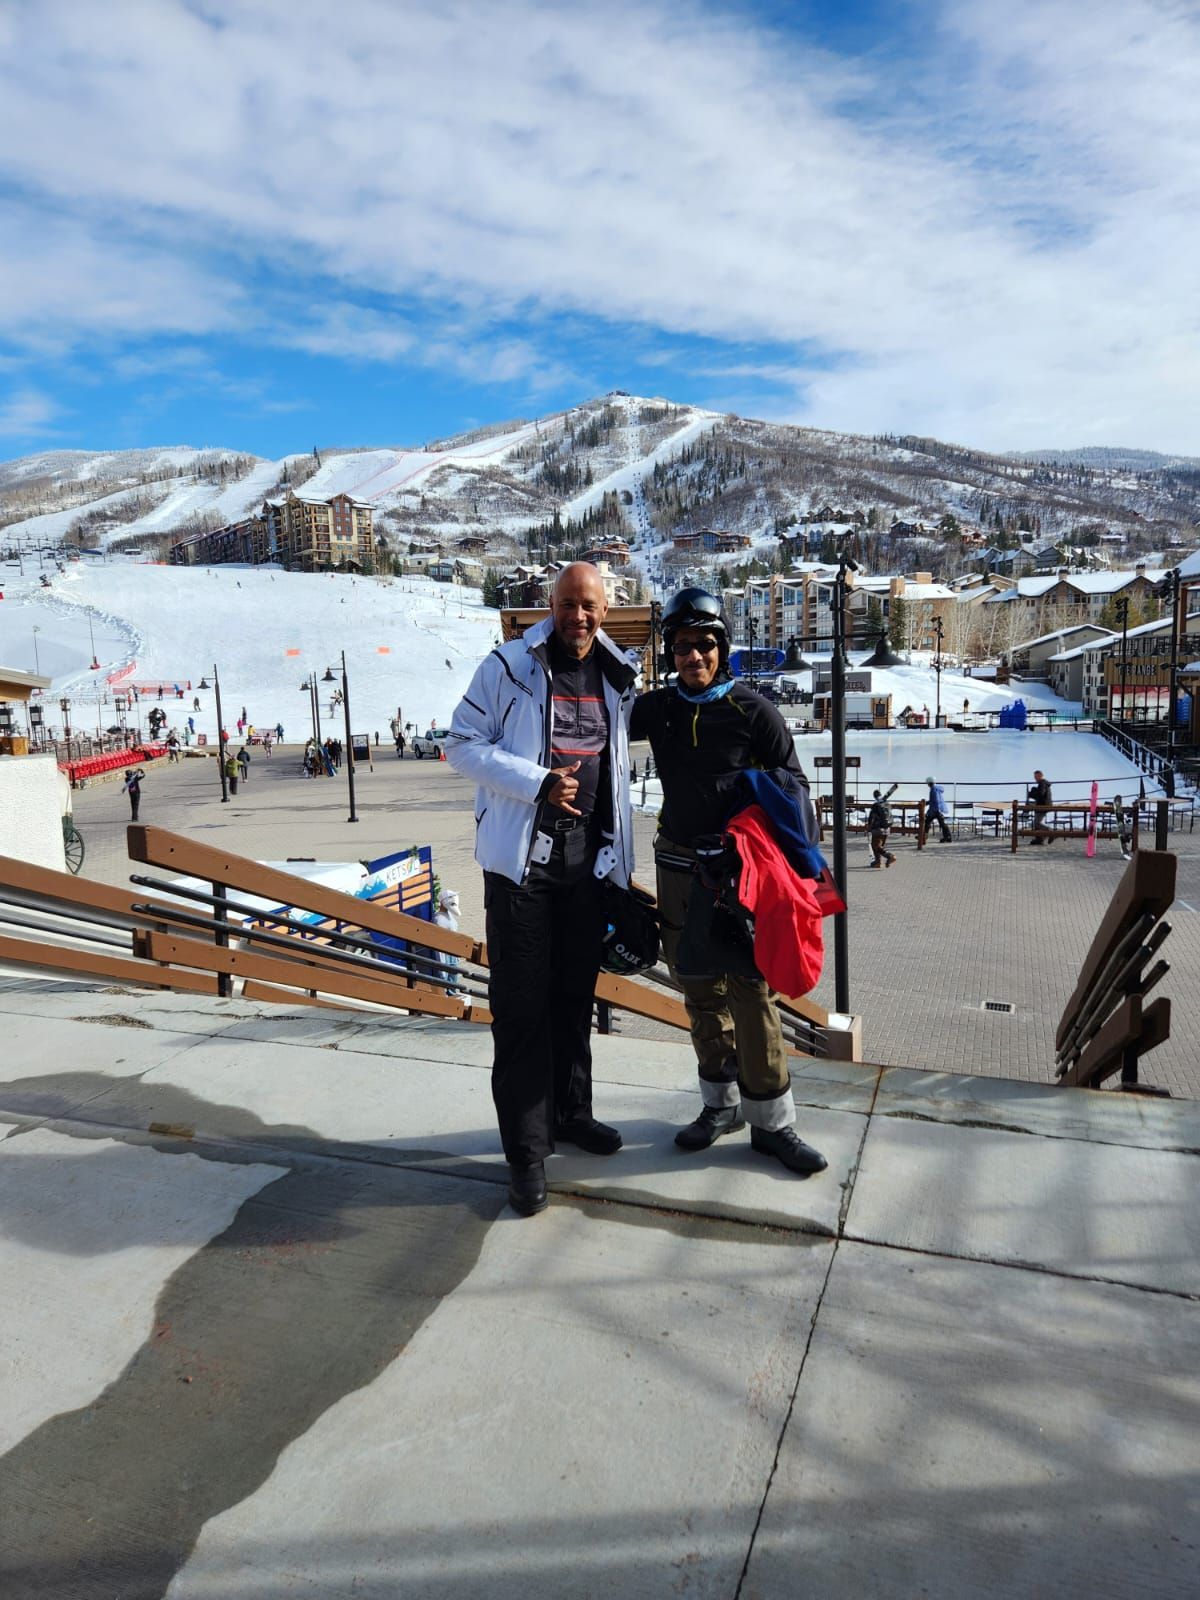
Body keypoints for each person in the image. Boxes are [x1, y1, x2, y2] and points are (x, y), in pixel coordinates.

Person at [446, 562, 637, 1218]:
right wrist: (534, 781)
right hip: (520, 874)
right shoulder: (508, 666)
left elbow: (616, 776)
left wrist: (618, 862)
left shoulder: (616, 675)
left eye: (588, 607)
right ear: (548, 605)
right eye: (565, 605)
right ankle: (526, 1153)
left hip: (584, 870)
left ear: (604, 610)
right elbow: (460, 745)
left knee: (573, 1001)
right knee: (523, 1012)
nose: (577, 618)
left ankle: (572, 1115)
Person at [629, 586, 827, 1176]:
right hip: (678, 869)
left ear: (723, 649)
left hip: (740, 879)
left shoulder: (754, 711)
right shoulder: (658, 710)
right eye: (683, 646)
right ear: (671, 653)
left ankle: (774, 1125)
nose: (694, 657)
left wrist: (743, 828)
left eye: (705, 645)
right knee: (696, 988)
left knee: (752, 993)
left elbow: (796, 793)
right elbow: (591, 716)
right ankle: (720, 1107)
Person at [866, 789, 897, 868]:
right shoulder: (887, 803)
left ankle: (890, 856)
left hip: (878, 829)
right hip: (887, 828)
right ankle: (877, 862)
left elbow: (871, 818)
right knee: (879, 846)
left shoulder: (876, 805)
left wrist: (869, 827)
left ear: (874, 796)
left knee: (875, 846)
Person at [1028, 769, 1053, 844]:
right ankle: (1040, 839)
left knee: (1037, 823)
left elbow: (1041, 795)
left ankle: (1050, 832)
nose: (1035, 778)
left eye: (1036, 777)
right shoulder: (1043, 783)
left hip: (1042, 805)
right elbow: (1041, 794)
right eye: (1035, 777)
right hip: (1043, 805)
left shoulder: (1042, 783)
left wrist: (1032, 794)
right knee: (1036, 822)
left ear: (1040, 776)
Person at [924, 776, 952, 843]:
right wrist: (927, 803)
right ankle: (948, 837)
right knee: (942, 824)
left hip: (935, 809)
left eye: (927, 783)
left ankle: (924, 836)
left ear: (929, 783)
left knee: (927, 821)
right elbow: (933, 800)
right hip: (938, 809)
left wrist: (931, 810)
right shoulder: (936, 788)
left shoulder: (933, 789)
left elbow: (936, 800)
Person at [1112, 793, 1134, 860]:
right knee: (1122, 831)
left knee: (1123, 831)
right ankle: (1124, 843)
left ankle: (1125, 843)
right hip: (1121, 822)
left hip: (1123, 823)